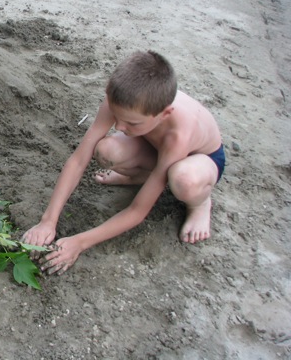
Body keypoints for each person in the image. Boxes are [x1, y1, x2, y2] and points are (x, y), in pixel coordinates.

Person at [23, 50, 224, 275]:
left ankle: (200, 203)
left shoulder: (178, 135)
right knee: (106, 151)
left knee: (183, 180)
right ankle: (140, 176)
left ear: (165, 114)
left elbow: (138, 210)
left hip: (199, 160)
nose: (118, 127)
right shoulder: (121, 99)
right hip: (153, 146)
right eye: (116, 117)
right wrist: (48, 221)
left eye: (131, 123)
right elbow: (78, 160)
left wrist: (79, 242)